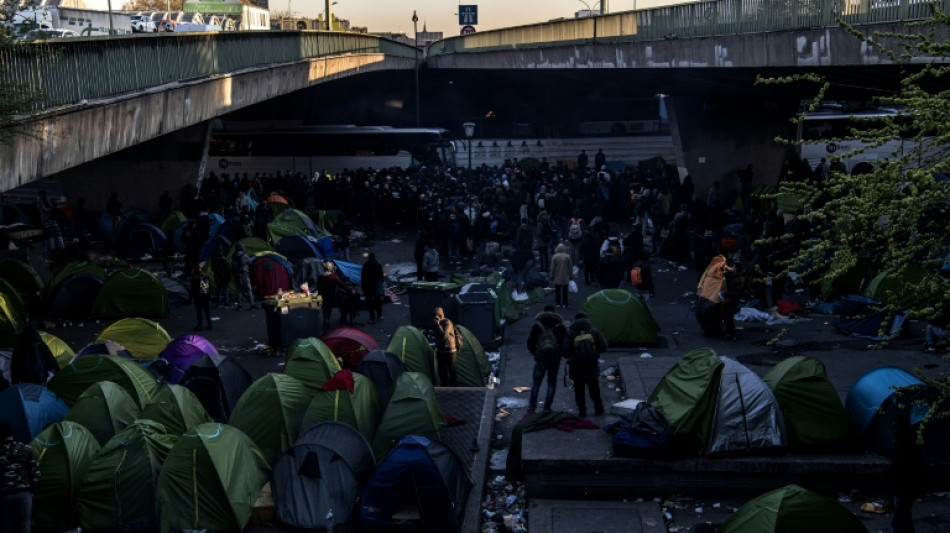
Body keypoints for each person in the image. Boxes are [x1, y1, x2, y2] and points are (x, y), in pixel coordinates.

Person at [564, 312, 608, 418]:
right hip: (591, 366)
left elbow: (565, 352)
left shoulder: (571, 333)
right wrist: (595, 353)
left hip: (576, 367)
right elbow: (604, 346)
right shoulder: (593, 332)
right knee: (594, 389)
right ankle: (599, 408)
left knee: (579, 391)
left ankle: (582, 411)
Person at [526, 305, 568, 412]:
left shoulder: (537, 326)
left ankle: (532, 406)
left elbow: (530, 343)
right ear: (554, 313)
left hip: (540, 359)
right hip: (554, 359)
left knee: (536, 383)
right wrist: (560, 355)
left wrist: (536, 354)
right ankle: (547, 407)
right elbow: (565, 344)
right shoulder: (560, 327)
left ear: (543, 312)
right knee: (551, 384)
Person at [0, 421, 40, 533]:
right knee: (24, 525)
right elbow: (35, 473)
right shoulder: (26, 449)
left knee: (5, 525)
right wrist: (32, 490)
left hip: (4, 495)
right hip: (24, 493)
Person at [433, 307, 460, 386]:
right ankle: (444, 387)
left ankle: (454, 388)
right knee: (442, 371)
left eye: (438, 316)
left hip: (450, 351)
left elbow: (444, 336)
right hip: (441, 350)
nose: (436, 317)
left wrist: (438, 326)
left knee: (452, 371)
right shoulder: (436, 324)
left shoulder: (447, 322)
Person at [316, 261, 348, 327]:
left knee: (325, 309)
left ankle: (325, 321)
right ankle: (327, 321)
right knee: (329, 309)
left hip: (322, 296)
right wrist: (350, 290)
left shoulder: (320, 277)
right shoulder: (334, 277)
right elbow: (342, 285)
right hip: (331, 296)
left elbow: (318, 288)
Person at [231, 243, 255, 310]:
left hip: (236, 275)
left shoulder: (234, 256)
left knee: (238, 291)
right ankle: (252, 304)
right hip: (244, 274)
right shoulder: (244, 255)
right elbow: (250, 262)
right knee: (248, 290)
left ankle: (239, 305)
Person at [361, 252, 385, 323]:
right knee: (378, 301)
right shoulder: (379, 265)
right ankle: (379, 315)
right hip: (376, 286)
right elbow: (381, 277)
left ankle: (372, 317)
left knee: (369, 302)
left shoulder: (365, 265)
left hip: (368, 287)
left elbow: (363, 277)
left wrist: (363, 286)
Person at [549, 243, 573, 309]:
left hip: (557, 275)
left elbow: (552, 267)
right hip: (565, 276)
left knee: (557, 290)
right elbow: (570, 267)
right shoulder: (567, 256)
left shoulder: (555, 256)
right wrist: (571, 275)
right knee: (565, 291)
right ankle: (565, 303)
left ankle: (558, 303)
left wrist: (551, 275)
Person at [190, 263, 212, 331]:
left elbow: (193, 288)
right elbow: (206, 288)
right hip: (204, 296)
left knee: (199, 311)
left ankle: (200, 325)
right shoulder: (204, 276)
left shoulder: (196, 277)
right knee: (206, 311)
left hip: (199, 296)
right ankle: (209, 324)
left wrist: (193, 296)